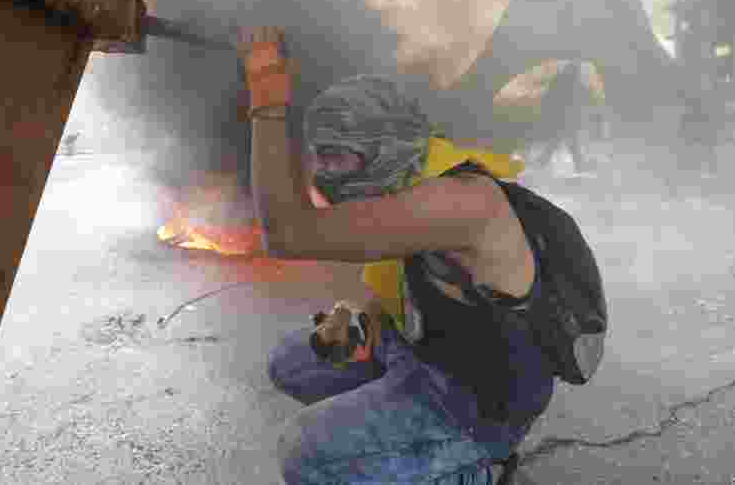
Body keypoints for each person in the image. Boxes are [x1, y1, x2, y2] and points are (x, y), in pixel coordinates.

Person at [237, 27, 554, 484]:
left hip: (476, 400)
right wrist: (360, 314)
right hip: (431, 350)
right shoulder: (412, 177)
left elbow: (285, 233)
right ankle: (403, 434)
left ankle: (476, 467)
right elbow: (416, 284)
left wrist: (266, 88)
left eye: (335, 158)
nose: (323, 174)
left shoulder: (459, 201)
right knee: (294, 365)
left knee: (305, 454)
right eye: (320, 156)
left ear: (383, 150)